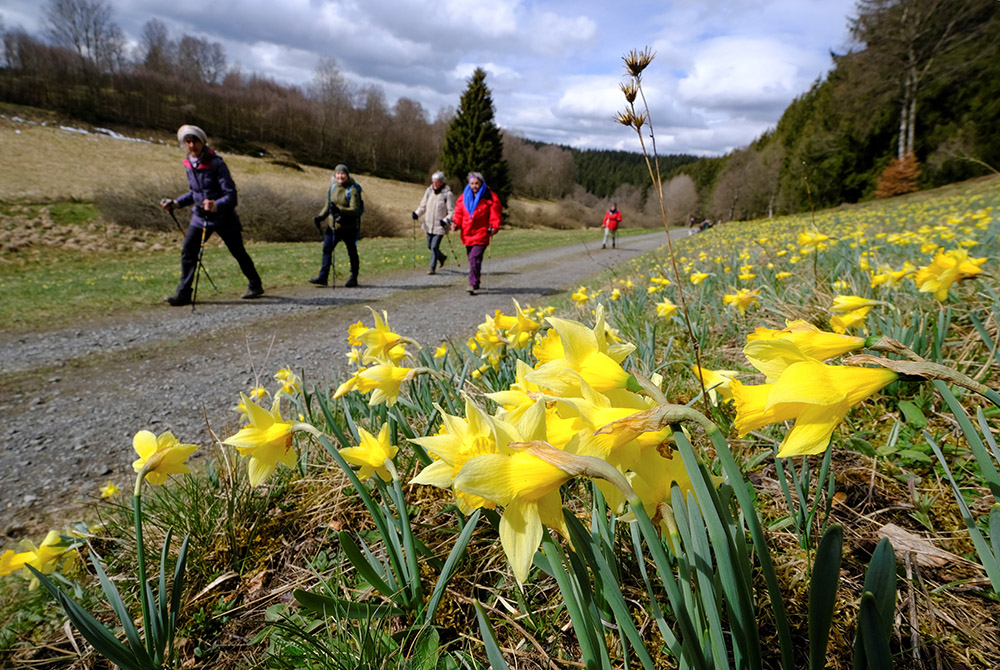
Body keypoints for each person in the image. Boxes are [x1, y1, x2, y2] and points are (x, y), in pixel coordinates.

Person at [160, 124, 263, 306]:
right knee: (188, 252)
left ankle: (255, 284)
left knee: (238, 252)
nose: (191, 145)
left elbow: (231, 195)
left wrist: (216, 205)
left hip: (224, 218)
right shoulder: (189, 164)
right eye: (188, 142)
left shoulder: (217, 163)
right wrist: (175, 203)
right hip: (200, 217)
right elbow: (194, 193)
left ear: (202, 142)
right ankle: (183, 293)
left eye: (195, 141)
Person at [309, 164, 363, 287]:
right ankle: (323, 277)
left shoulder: (352, 189)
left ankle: (353, 277)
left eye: (342, 173)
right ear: (334, 175)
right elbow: (328, 206)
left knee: (351, 251)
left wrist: (339, 210)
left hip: (349, 227)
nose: (340, 176)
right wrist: (320, 217)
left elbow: (355, 209)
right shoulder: (332, 188)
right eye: (338, 174)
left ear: (347, 175)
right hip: (333, 226)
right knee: (327, 249)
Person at [451, 172, 501, 295]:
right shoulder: (463, 197)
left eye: (477, 183)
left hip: (482, 233)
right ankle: (476, 281)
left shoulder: (490, 197)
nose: (474, 186)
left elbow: (495, 215)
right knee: (473, 260)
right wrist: (455, 223)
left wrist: (493, 227)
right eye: (472, 183)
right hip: (467, 234)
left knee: (474, 258)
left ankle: (472, 283)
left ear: (481, 183)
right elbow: (458, 213)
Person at [412, 171, 455, 275]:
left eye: (437, 182)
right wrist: (417, 214)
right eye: (433, 182)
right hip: (428, 224)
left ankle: (432, 268)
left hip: (440, 226)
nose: (435, 184)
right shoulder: (428, 192)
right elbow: (423, 206)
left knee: (434, 246)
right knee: (429, 246)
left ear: (442, 182)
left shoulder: (447, 194)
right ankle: (442, 257)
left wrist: (445, 220)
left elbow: (452, 212)